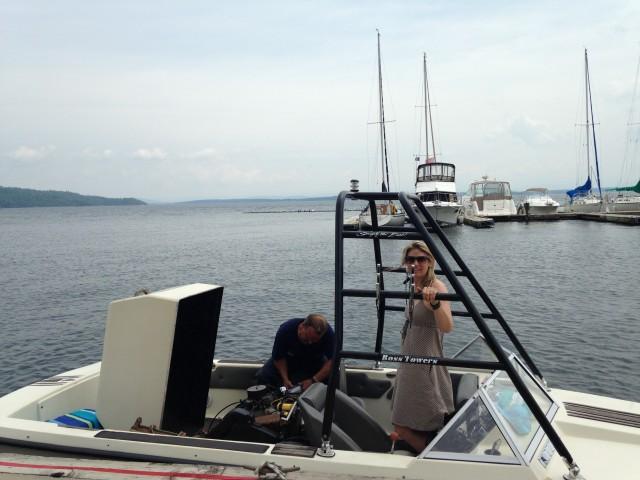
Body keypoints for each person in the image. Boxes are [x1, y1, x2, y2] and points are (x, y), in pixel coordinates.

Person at [392, 240, 455, 453]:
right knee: (409, 420)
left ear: (430, 262)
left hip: (424, 363)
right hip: (409, 360)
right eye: (411, 259)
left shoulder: (436, 287)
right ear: (405, 263)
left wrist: (435, 304)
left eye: (422, 259)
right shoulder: (412, 286)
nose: (416, 263)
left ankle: (437, 458)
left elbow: (447, 326)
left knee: (402, 423)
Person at [256, 314, 334, 391]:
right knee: (262, 376)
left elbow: (333, 361)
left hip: (314, 361)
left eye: (314, 341)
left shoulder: (329, 334)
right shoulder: (286, 329)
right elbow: (278, 357)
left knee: (332, 376)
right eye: (306, 338)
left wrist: (313, 380)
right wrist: (285, 379)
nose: (310, 343)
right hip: (289, 359)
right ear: (301, 327)